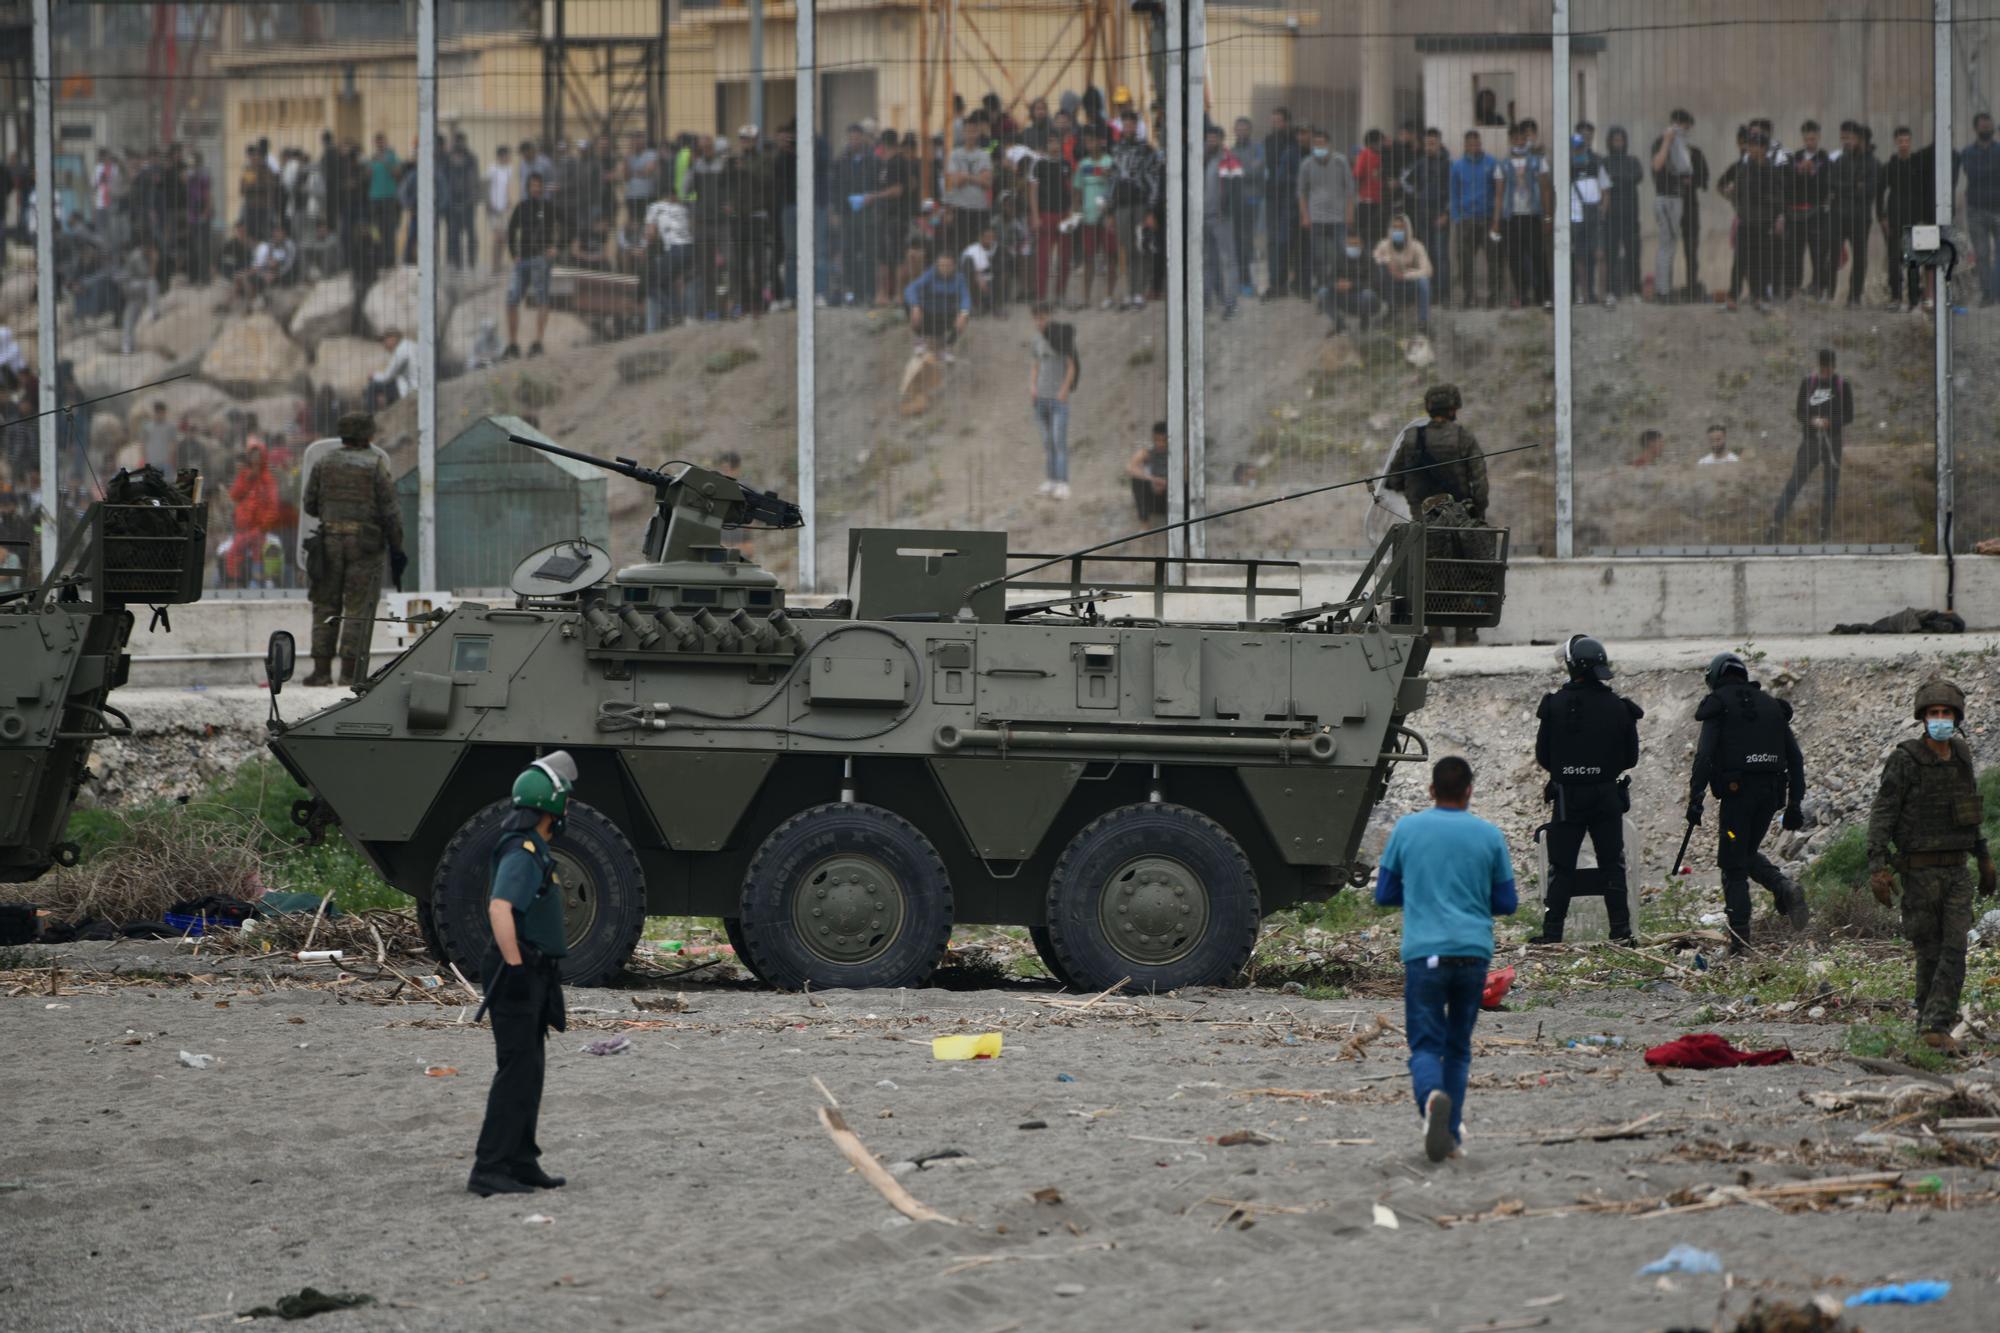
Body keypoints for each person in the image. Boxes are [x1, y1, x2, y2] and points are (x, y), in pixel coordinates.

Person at [1374, 755, 1517, 1162]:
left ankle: (1431, 1101)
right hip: (1472, 955)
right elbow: (1507, 902)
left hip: (1425, 954)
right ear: (1469, 791)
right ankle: (1451, 1138)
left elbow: (1384, 894)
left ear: (1431, 790)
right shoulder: (1488, 835)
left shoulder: (1407, 829)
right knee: (1457, 1047)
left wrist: (1421, 892)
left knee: (1424, 1044)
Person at [1866, 678, 1997, 1053]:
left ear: (1957, 717)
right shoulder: (1905, 759)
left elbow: (1968, 810)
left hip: (1956, 870)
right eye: (1933, 713)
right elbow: (1883, 813)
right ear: (1923, 718)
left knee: (1955, 947)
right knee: (1929, 951)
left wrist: (1983, 857)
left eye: (1946, 713)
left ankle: (1935, 1025)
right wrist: (1878, 866)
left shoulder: (1961, 756)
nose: (1940, 719)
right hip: (1919, 872)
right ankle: (1928, 1023)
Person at [468, 751, 577, 1197]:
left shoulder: (531, 847)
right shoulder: (524, 850)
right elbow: (500, 907)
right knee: (516, 1071)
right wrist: (515, 966)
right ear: (552, 806)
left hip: (532, 969)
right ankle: (489, 1169)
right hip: (519, 970)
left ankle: (521, 1160)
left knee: (530, 1070)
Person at [1688, 652, 1812, 955]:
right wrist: (1795, 803)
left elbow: (1704, 756)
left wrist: (1696, 798)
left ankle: (1740, 943)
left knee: (1733, 865)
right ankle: (1784, 887)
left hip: (1737, 796)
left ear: (1716, 677)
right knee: (1742, 852)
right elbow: (1795, 758)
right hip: (1770, 797)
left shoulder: (1718, 704)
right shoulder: (1771, 705)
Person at [1529, 635, 1642, 944]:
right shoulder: (1619, 707)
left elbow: (1543, 756)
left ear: (1572, 667)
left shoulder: (1554, 704)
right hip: (1607, 796)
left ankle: (1553, 933)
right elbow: (1630, 758)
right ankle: (1621, 932)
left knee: (1561, 866)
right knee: (1612, 864)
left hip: (1569, 798)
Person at [300, 412, 403, 687]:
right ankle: (349, 673)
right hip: (365, 546)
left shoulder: (323, 463)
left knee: (325, 604)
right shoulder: (376, 465)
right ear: (368, 435)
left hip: (328, 543)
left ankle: (321, 671)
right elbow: (390, 511)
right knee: (358, 608)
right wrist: (397, 546)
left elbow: (309, 504)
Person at [1769, 347, 1854, 542]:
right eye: (1823, 368)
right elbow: (1800, 412)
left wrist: (1830, 422)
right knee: (1795, 482)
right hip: (1811, 441)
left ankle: (1824, 529)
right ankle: (1775, 523)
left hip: (1833, 442)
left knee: (1830, 488)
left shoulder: (1842, 385)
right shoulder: (1808, 384)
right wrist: (1812, 421)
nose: (1825, 372)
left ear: (1834, 366)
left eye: (1828, 369)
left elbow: (1849, 415)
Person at [504, 172, 567, 358]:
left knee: (541, 298)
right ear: (527, 187)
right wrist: (513, 254)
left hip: (541, 259)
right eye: (532, 185)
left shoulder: (548, 207)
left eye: (538, 185)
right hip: (522, 259)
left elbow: (568, 225)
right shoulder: (522, 207)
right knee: (512, 299)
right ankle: (513, 344)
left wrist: (557, 247)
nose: (536, 188)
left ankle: (538, 341)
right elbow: (511, 230)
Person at [1650, 109, 1708, 303]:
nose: (1685, 132)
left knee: (1670, 246)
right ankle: (1663, 291)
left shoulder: (1685, 147)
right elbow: (1657, 165)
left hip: (1677, 199)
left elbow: (1691, 172)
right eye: (1684, 128)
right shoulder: (1663, 142)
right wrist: (1668, 140)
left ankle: (1665, 290)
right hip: (1666, 199)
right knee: (1667, 246)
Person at [1492, 123, 1547, 309]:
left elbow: (1545, 190)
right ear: (1510, 140)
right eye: (1515, 139)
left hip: (1532, 215)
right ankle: (1521, 295)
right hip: (1512, 217)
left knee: (1538, 256)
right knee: (1515, 258)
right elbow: (1499, 194)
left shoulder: (1538, 161)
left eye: (1523, 138)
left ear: (1527, 139)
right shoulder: (1503, 164)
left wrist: (1547, 217)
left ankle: (1542, 295)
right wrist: (1496, 221)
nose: (1519, 142)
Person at [1029, 303, 1079, 500]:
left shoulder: (1061, 337)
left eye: (1042, 318)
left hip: (1058, 399)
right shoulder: (1036, 341)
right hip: (1040, 398)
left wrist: (1064, 390)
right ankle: (1050, 480)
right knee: (1047, 442)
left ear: (1049, 317)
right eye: (1036, 318)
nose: (1039, 322)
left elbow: (1071, 366)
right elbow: (1035, 365)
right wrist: (1032, 386)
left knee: (1059, 442)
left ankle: (1063, 483)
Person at [1826, 122, 1880, 307]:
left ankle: (1854, 297)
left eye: (1849, 138)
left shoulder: (1873, 163)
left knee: (1859, 258)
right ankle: (1829, 295)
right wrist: (1853, 187)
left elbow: (1870, 191)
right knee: (1832, 256)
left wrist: (1849, 189)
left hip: (1860, 218)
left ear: (1858, 139)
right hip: (1839, 216)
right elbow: (1831, 184)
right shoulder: (1840, 161)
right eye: (1843, 138)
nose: (1846, 142)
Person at [1297, 127, 1353, 300]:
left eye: (1322, 143)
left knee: (1342, 254)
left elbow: (1350, 190)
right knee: (1320, 257)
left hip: (1338, 218)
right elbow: (1301, 192)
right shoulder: (1306, 164)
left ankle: (1343, 288)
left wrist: (1350, 214)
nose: (1318, 146)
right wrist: (1305, 216)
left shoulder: (1340, 161)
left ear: (1329, 144)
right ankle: (1323, 292)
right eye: (1315, 143)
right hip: (1317, 219)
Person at [1878, 127, 1930, 310]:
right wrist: (1882, 217)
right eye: (1900, 141)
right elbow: (1880, 192)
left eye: (1907, 141)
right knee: (1894, 259)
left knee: (1913, 260)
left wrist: (1924, 218)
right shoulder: (1890, 166)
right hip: (1894, 217)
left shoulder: (1917, 164)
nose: (1904, 145)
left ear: (1911, 142)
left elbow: (1925, 191)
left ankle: (1914, 300)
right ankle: (1896, 297)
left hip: (1914, 217)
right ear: (1896, 142)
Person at [1451, 130, 1499, 308]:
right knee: (1465, 260)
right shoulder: (1457, 166)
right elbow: (1454, 193)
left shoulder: (1492, 163)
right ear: (1465, 145)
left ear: (1480, 144)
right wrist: (1457, 216)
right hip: (1465, 220)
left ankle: (1493, 296)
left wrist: (1496, 217)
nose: (1473, 146)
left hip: (1488, 219)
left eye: (1476, 143)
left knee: (1494, 259)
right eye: (1469, 143)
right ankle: (1468, 296)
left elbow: (1498, 191)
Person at [1784, 121, 1831, 301]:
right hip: (1796, 214)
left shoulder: (1824, 158)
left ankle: (1819, 287)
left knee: (1818, 252)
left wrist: (1812, 172)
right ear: (1803, 138)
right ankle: (1795, 288)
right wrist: (1799, 171)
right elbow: (1789, 183)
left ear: (1818, 137)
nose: (1810, 142)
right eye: (1807, 138)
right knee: (1796, 253)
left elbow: (1826, 185)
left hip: (1816, 213)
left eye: (1813, 138)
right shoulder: (1795, 158)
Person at [1407, 128, 1453, 309]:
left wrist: (1446, 214)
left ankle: (1445, 296)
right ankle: (1431, 294)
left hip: (1440, 214)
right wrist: (1418, 194)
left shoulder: (1448, 164)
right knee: (1427, 256)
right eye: (1426, 144)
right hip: (1423, 215)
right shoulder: (1420, 163)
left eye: (1432, 143)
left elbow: (1453, 192)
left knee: (1441, 255)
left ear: (1439, 143)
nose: (1429, 147)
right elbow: (1406, 181)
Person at [1201, 123, 1243, 320]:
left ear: (1221, 140)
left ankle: (1231, 303)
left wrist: (1225, 211)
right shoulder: (1200, 159)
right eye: (1208, 138)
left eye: (1214, 138)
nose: (1210, 141)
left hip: (1221, 218)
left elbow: (1234, 189)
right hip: (1202, 218)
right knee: (1207, 261)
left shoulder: (1228, 160)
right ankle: (1206, 301)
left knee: (1228, 261)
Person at [1072, 126, 1117, 310]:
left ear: (1101, 141)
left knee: (1110, 256)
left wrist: (1112, 212)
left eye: (1093, 140)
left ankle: (1109, 296)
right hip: (1089, 216)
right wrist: (1075, 211)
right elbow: (1077, 189)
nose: (1090, 144)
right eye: (1087, 141)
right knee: (1088, 257)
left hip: (1107, 216)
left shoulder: (1111, 161)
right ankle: (1086, 298)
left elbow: (1116, 186)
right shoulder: (1083, 165)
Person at [1263, 107, 1303, 299]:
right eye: (1273, 120)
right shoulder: (1269, 141)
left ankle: (1286, 282)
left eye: (1279, 120)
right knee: (1272, 241)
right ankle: (1274, 284)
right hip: (1272, 196)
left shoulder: (1293, 141)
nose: (1275, 124)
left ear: (1286, 122)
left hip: (1289, 197)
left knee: (1286, 241)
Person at [1600, 126, 1643, 304]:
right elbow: (1604, 181)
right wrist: (1620, 179)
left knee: (1633, 254)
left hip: (1630, 216)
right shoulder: (1605, 162)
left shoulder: (1632, 161)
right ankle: (1611, 292)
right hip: (1611, 217)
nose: (1618, 143)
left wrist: (1616, 179)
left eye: (1621, 140)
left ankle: (1634, 291)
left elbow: (1637, 176)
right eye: (1615, 140)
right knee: (1611, 255)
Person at [1962, 113, 2000, 308]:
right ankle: (1987, 294)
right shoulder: (1967, 153)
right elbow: (1973, 173)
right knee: (1982, 255)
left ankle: (1997, 291)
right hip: (1976, 211)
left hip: (1998, 208)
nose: (1987, 129)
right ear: (1976, 129)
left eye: (1989, 126)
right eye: (1984, 126)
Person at [1374, 212, 1434, 333]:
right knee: (1380, 270)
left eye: (1401, 228)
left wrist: (1405, 275)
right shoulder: (1384, 244)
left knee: (1423, 281)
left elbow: (1428, 270)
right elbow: (1374, 258)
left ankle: (1423, 321)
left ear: (1407, 229)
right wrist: (1387, 262)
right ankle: (1391, 312)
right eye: (1395, 227)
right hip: (1390, 287)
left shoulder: (1417, 246)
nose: (1398, 231)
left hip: (1409, 287)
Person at [1568, 133, 1610, 306]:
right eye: (1576, 148)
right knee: (1580, 257)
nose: (1579, 150)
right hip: (1576, 217)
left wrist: (1603, 210)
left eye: (1581, 147)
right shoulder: (1566, 168)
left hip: (1594, 215)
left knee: (1600, 254)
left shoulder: (1596, 164)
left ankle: (1601, 295)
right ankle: (1585, 295)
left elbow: (1606, 190)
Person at [904, 250, 971, 354]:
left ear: (954, 266)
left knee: (965, 314)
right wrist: (915, 306)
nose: (944, 268)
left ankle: (948, 346)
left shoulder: (960, 278)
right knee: (909, 304)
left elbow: (966, 297)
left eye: (948, 265)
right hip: (927, 314)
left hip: (945, 315)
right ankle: (919, 339)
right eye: (941, 265)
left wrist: (963, 313)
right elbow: (911, 288)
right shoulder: (930, 274)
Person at [1323, 234, 1382, 334]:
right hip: (1343, 296)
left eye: (1355, 244)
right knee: (1322, 292)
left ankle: (1365, 319)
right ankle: (1340, 324)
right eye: (1349, 244)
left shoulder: (1368, 259)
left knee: (1368, 295)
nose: (1352, 247)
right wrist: (1336, 284)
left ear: (1362, 245)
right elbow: (1328, 279)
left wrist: (1352, 285)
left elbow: (1375, 282)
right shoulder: (1339, 258)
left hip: (1362, 297)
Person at [365, 328, 415, 414]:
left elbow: (387, 377)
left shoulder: (401, 351)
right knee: (390, 386)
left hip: (411, 388)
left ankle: (371, 418)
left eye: (384, 341)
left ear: (392, 339)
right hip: (412, 384)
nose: (383, 345)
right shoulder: (411, 345)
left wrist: (373, 376)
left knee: (372, 387)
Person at [1127, 420, 1169, 521]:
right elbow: (1130, 467)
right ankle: (1144, 526)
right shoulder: (1147, 453)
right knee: (1137, 481)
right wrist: (1153, 480)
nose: (1160, 444)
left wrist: (1167, 483)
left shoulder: (1179, 453)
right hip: (1153, 499)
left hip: (1171, 498)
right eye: (1157, 440)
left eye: (1164, 440)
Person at [1352, 129, 1386, 247]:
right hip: (1367, 202)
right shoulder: (1365, 154)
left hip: (1380, 201)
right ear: (1373, 143)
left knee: (1378, 236)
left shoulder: (1383, 155)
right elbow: (1357, 174)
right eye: (1381, 141)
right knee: (1367, 236)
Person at [961, 223, 999, 315]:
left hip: (990, 277)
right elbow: (967, 267)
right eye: (987, 236)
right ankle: (975, 306)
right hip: (974, 279)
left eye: (992, 237)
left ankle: (994, 305)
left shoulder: (997, 248)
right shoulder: (972, 250)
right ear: (980, 237)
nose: (990, 239)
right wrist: (978, 277)